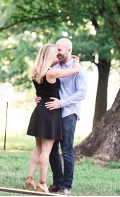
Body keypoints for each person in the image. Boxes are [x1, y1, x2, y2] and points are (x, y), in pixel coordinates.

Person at [26, 44, 81, 194]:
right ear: (49, 56)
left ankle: (30, 177)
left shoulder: (36, 71)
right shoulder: (51, 73)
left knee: (37, 149)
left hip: (39, 111)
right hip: (50, 114)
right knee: (46, 151)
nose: (57, 56)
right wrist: (76, 59)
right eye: (54, 54)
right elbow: (75, 70)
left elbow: (40, 92)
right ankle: (42, 183)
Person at [44, 38, 87, 195]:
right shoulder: (54, 66)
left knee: (67, 150)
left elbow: (82, 93)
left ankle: (66, 185)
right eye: (56, 50)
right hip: (53, 114)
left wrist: (62, 103)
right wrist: (40, 97)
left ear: (69, 50)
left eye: (59, 50)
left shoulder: (79, 70)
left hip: (68, 113)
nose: (57, 53)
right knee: (52, 150)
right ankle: (57, 182)